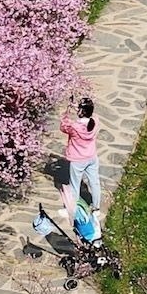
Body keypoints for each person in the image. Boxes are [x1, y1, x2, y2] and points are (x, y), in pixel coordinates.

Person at [59, 96, 102, 225]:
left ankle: (72, 209)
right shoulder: (95, 122)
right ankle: (96, 208)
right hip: (91, 157)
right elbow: (91, 118)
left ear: (81, 112)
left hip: (78, 159)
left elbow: (63, 126)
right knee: (94, 182)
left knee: (74, 185)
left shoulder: (74, 127)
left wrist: (67, 111)